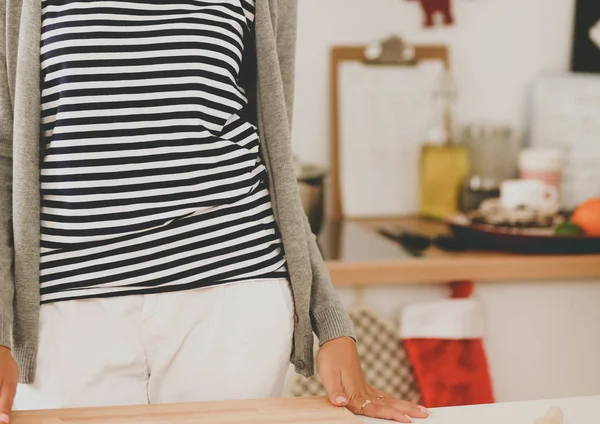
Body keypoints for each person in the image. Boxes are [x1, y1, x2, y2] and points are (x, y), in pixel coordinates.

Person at [0, 1, 429, 422]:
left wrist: (332, 324)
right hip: (68, 304)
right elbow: (4, 156)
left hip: (233, 291)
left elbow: (276, 158)